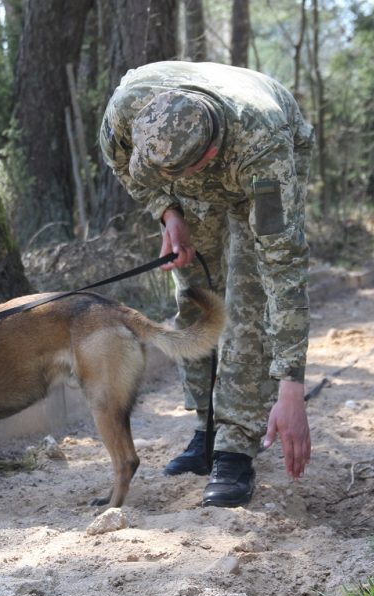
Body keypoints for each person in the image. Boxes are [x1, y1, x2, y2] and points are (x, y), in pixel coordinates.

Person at [99, 61, 313, 507]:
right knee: (195, 291)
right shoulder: (130, 109)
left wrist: (292, 384)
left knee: (247, 303)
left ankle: (235, 445)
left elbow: (284, 267)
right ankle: (208, 426)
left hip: (257, 153)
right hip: (197, 163)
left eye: (168, 179)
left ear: (205, 160)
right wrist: (167, 211)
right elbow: (118, 159)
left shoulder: (264, 153)